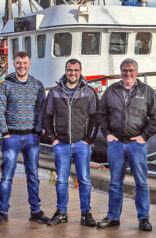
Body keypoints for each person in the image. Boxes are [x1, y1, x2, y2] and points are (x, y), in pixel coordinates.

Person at [96, 58, 156, 232]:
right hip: (116, 144)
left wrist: (144, 136)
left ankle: (144, 218)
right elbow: (101, 115)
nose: (128, 73)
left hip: (136, 144)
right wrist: (107, 135)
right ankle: (113, 216)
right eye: (125, 70)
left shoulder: (146, 91)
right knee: (115, 182)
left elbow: (155, 116)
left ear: (136, 72)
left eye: (131, 70)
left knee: (141, 182)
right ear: (120, 72)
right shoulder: (111, 91)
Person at [0, 51, 49, 226]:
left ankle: (36, 211)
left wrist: (37, 131)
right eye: (18, 63)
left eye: (24, 63)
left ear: (29, 64)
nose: (21, 66)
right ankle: (2, 212)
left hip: (31, 137)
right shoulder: (5, 85)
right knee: (7, 176)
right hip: (12, 137)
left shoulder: (37, 86)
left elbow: (41, 110)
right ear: (13, 64)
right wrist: (5, 132)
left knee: (33, 176)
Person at [43, 59, 99, 227]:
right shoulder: (55, 92)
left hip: (81, 144)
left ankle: (86, 213)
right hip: (61, 144)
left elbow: (95, 118)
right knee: (61, 180)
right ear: (65, 71)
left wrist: (88, 140)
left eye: (75, 70)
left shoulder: (88, 92)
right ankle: (61, 212)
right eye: (69, 70)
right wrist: (53, 138)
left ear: (80, 71)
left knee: (84, 179)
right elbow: (47, 117)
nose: (72, 73)